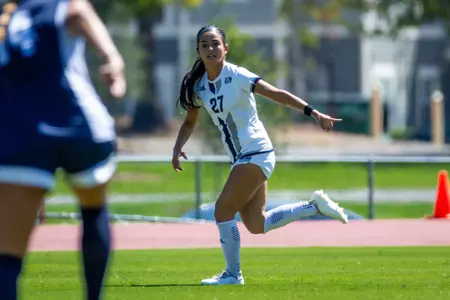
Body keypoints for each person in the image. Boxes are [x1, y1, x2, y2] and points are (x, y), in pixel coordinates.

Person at [172, 25, 348, 285]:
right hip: (242, 159)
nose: (210, 48)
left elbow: (279, 95)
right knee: (257, 224)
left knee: (222, 212)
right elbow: (190, 121)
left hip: (256, 152)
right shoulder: (200, 87)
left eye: (215, 43)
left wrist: (314, 113)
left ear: (225, 48)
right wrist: (177, 148)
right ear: (198, 50)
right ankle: (314, 206)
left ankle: (233, 275)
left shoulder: (238, 76)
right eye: (204, 44)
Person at [0, 0, 126, 299]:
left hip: (23, 134)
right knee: (93, 209)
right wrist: (112, 60)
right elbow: (80, 13)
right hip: (79, 124)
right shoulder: (60, 5)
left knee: (7, 255)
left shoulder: (8, 19)